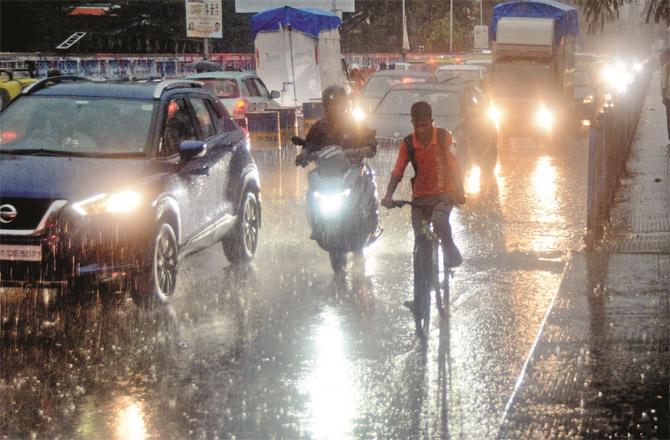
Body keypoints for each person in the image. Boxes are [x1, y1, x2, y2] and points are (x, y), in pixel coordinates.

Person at [381, 101, 465, 312]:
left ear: (431, 121)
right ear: (413, 124)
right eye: (418, 125)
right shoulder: (408, 144)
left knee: (439, 221)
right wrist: (388, 195)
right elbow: (398, 172)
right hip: (420, 200)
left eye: (425, 125)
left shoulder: (444, 137)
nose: (422, 130)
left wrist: (460, 192)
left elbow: (455, 166)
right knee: (421, 240)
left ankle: (448, 245)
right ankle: (419, 298)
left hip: (443, 196)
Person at [298, 85, 376, 160]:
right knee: (311, 174)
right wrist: (304, 153)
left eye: (336, 104)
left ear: (343, 104)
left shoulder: (356, 125)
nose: (333, 107)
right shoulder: (318, 127)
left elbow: (370, 141)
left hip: (352, 168)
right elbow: (309, 145)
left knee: (365, 173)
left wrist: (365, 150)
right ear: (325, 105)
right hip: (324, 169)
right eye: (330, 104)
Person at [661, 48, 670, 142]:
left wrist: (662, 96)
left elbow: (664, 84)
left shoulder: (666, 66)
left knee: (669, 116)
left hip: (668, 96)